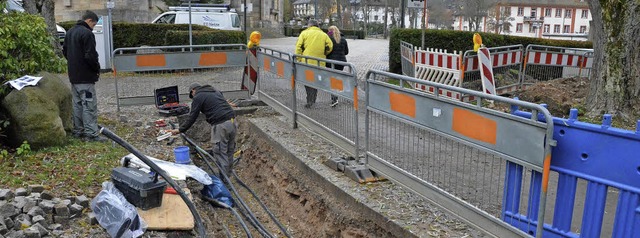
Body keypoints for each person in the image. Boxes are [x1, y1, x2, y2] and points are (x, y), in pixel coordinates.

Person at [170, 83, 236, 174]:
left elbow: (192, 117)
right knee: (229, 151)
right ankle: (229, 176)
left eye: (192, 94)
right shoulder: (215, 91)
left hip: (220, 125)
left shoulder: (198, 97)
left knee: (220, 153)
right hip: (232, 122)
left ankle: (224, 182)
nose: (193, 97)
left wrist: (180, 130)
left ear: (193, 90)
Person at [63, 11, 104, 142]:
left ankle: (78, 130)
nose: (93, 27)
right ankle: (91, 133)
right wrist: (96, 69)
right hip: (86, 76)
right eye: (94, 24)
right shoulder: (87, 34)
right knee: (89, 105)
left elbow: (65, 51)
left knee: (77, 104)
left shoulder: (69, 33)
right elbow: (90, 55)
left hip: (74, 75)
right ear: (90, 21)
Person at [295, 19, 333, 108]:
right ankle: (313, 98)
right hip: (319, 63)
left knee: (307, 81)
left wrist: (299, 58)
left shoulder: (304, 33)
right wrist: (324, 54)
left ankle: (309, 100)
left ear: (309, 25)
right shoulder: (324, 35)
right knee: (315, 81)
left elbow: (298, 47)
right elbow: (329, 46)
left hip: (306, 62)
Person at [325, 25, 349, 107]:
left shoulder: (329, 39)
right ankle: (336, 96)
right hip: (341, 63)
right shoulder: (343, 39)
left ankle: (334, 99)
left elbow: (326, 51)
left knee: (332, 80)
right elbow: (346, 52)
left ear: (330, 31)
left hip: (331, 62)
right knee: (337, 79)